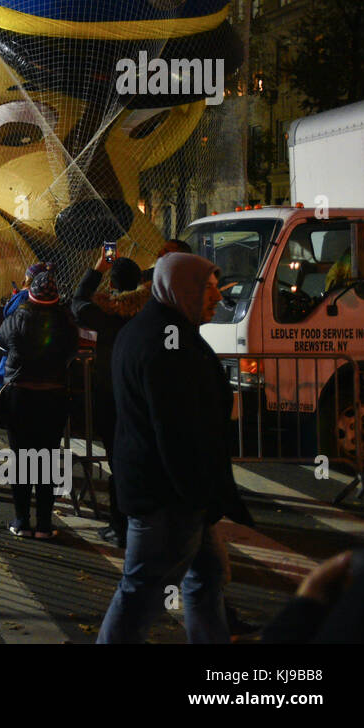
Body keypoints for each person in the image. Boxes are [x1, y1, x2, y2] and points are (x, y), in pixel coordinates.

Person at [97, 253, 253, 644]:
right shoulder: (166, 342)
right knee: (142, 592)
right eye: (209, 288)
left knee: (208, 575)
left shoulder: (162, 330)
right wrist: (197, 495)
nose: (218, 297)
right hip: (170, 497)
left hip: (172, 492)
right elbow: (175, 430)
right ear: (182, 289)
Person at [70, 254, 150, 547]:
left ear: (112, 283)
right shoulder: (148, 311)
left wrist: (96, 270)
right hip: (140, 395)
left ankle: (121, 525)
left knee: (119, 461)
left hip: (110, 393)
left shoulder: (104, 315)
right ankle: (133, 521)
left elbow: (78, 300)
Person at [0, 269, 79, 538]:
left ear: (31, 293)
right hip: (54, 397)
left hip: (21, 396)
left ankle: (21, 521)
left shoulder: (19, 316)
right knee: (47, 460)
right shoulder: (65, 319)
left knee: (21, 459)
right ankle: (44, 524)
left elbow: (0, 339)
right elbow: (72, 349)